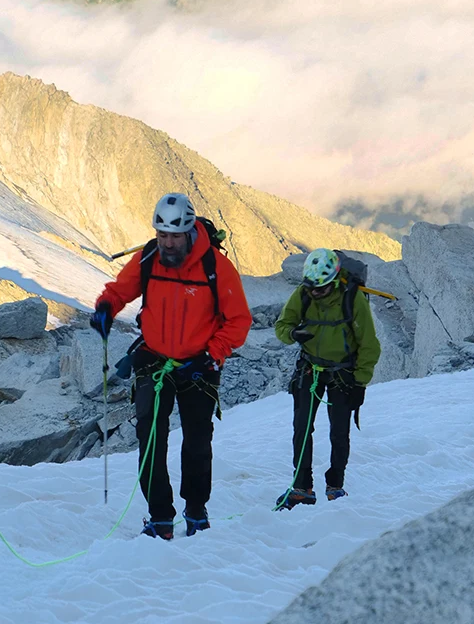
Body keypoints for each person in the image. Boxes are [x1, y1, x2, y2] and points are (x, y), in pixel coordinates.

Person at [91, 193, 251, 539]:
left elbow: (238, 319)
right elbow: (120, 291)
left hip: (199, 364)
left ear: (189, 231)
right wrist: (105, 307)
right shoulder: (148, 257)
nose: (167, 243)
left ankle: (196, 510)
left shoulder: (215, 267)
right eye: (162, 235)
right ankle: (160, 517)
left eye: (174, 236)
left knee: (196, 441)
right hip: (154, 358)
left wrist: (213, 353)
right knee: (150, 438)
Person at [274, 248, 380, 509]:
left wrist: (360, 382)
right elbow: (282, 326)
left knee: (339, 433)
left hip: (343, 374)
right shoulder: (303, 294)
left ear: (333, 281)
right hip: (310, 370)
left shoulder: (352, 299)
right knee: (301, 428)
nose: (314, 293)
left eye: (320, 289)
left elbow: (369, 345)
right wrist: (293, 334)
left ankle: (335, 485)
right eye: (311, 288)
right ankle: (302, 487)